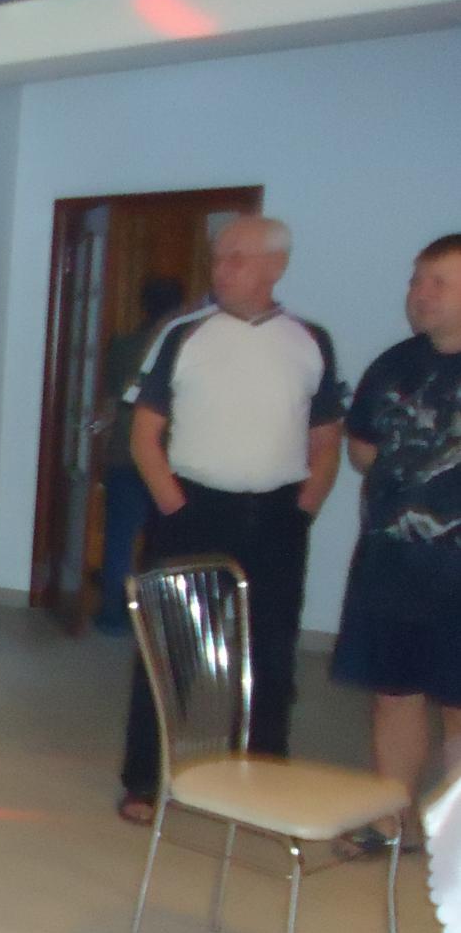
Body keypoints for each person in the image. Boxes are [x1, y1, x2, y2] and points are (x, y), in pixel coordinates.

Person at [116, 216, 345, 824]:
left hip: (276, 515)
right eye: (219, 258)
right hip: (192, 510)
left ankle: (263, 775)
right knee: (172, 650)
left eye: (237, 257)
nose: (221, 269)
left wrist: (303, 510)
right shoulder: (183, 335)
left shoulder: (310, 340)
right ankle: (146, 779)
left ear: (276, 266)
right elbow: (144, 435)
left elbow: (327, 441)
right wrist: (174, 506)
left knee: (271, 654)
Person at [330, 234, 461, 857]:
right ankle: (390, 824)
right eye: (416, 280)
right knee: (394, 697)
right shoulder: (393, 365)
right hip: (390, 566)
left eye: (439, 282)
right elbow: (361, 450)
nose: (420, 293)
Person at [94, 276, 186, 636]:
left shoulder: (122, 346)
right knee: (163, 543)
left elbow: (109, 401)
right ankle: (155, 619)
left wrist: (100, 451)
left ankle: (111, 614)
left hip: (123, 452)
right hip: (168, 458)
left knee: (119, 539)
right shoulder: (183, 348)